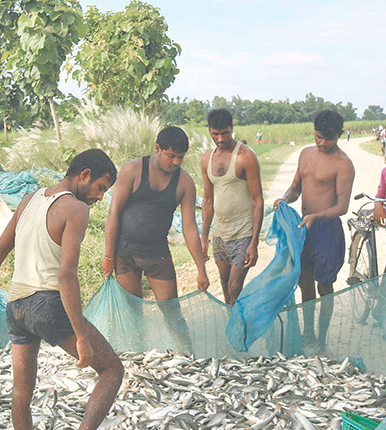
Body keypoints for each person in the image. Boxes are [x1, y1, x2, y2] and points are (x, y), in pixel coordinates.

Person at [0, 149, 124, 430]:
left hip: (16, 307)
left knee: (22, 390)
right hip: (46, 305)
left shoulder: (29, 200)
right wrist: (81, 336)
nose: (99, 197)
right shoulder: (75, 208)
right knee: (112, 371)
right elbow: (66, 276)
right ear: (84, 175)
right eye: (100, 188)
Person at [102, 126, 209, 344]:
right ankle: (137, 352)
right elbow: (114, 213)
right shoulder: (132, 170)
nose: (176, 162)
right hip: (125, 253)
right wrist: (108, 256)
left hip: (157, 255)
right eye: (171, 156)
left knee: (171, 311)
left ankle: (187, 352)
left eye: (181, 157)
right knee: (132, 311)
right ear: (157, 148)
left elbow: (189, 227)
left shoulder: (184, 183)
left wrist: (201, 269)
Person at [274, 110, 355, 348]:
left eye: (328, 138)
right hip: (304, 229)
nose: (322, 142)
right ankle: (307, 331)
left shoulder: (343, 164)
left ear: (339, 135)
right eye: (319, 136)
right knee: (305, 282)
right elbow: (295, 188)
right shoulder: (305, 154)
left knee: (325, 285)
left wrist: (317, 216)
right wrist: (284, 199)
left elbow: (342, 207)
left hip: (327, 231)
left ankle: (322, 338)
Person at [201, 109, 264, 305]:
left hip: (243, 232)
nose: (220, 139)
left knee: (235, 286)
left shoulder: (245, 156)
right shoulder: (206, 159)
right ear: (209, 131)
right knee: (225, 284)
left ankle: (239, 322)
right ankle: (232, 320)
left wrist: (254, 241)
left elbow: (258, 200)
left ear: (232, 129)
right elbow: (208, 200)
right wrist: (204, 238)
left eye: (225, 133)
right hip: (220, 233)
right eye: (215, 134)